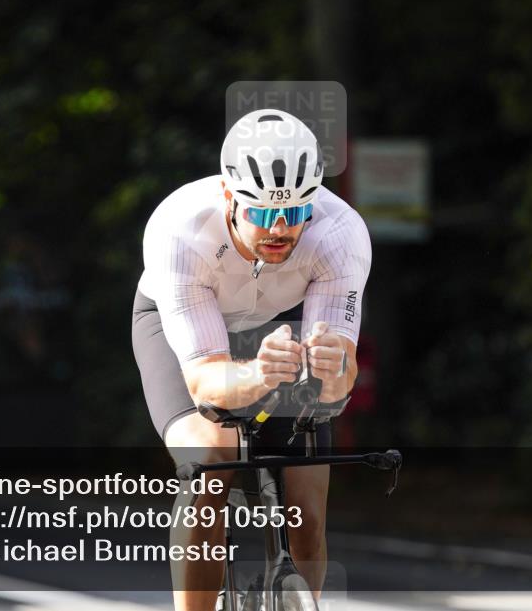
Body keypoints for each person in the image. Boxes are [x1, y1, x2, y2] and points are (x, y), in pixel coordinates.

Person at [131, 108, 372, 610]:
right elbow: (205, 383)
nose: (279, 229)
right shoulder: (179, 231)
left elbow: (338, 386)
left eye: (295, 213)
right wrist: (258, 373)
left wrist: (333, 373)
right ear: (229, 197)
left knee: (305, 503)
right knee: (211, 460)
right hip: (185, 324)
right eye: (262, 213)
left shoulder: (340, 234)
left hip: (282, 323)